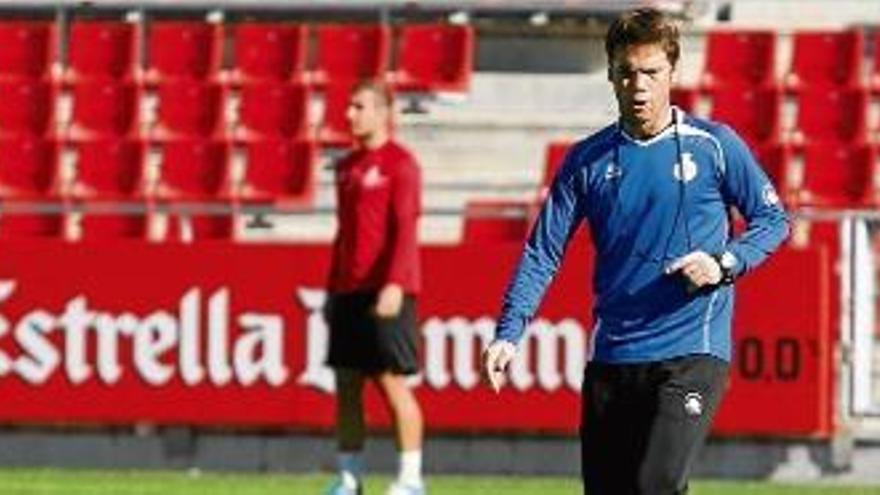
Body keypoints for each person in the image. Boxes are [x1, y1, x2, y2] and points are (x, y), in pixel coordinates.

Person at [481, 8, 789, 495]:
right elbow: (543, 251)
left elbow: (773, 220)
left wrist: (724, 263)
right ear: (610, 73)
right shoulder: (586, 161)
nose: (639, 85)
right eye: (627, 72)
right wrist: (508, 332)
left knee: (656, 484)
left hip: (691, 352)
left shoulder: (715, 145)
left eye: (651, 72)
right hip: (614, 356)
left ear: (672, 71)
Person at [324, 80, 426, 495]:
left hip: (387, 290)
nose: (349, 114)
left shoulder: (401, 165)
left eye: (359, 106)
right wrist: (332, 289)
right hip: (348, 290)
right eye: (349, 106)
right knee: (347, 383)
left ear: (385, 112)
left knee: (390, 382)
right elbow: (343, 233)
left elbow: (405, 229)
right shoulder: (347, 167)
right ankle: (349, 478)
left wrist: (395, 284)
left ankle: (410, 479)